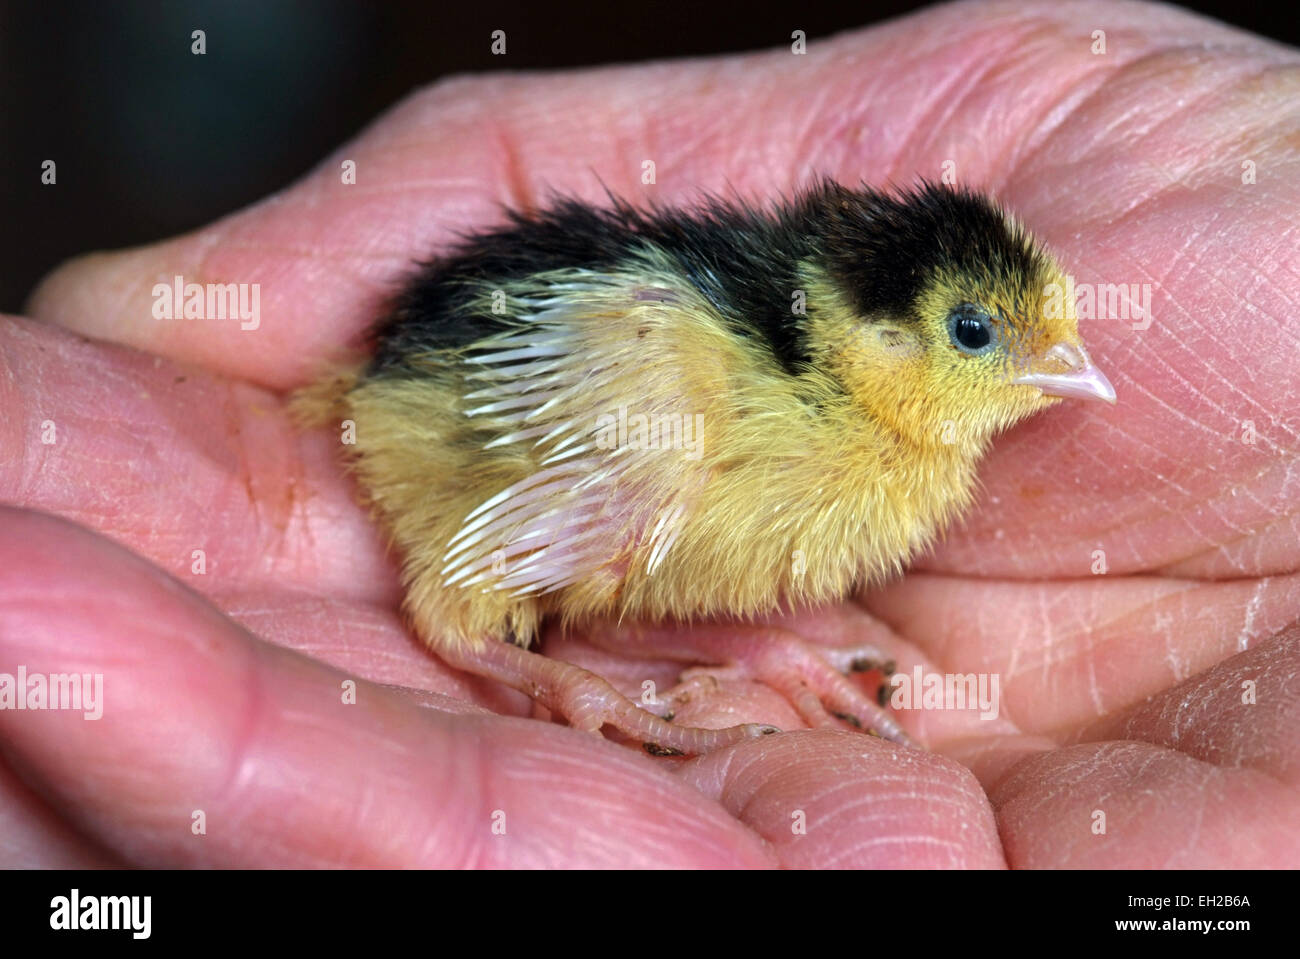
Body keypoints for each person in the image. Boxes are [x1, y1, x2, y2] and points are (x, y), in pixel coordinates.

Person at [3, 0, 1297, 867]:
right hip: (453, 411)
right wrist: (559, 675)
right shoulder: (681, 387)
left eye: (1042, 332)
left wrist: (759, 638)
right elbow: (506, 424)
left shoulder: (880, 456)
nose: (1055, 366)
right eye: (980, 338)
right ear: (871, 341)